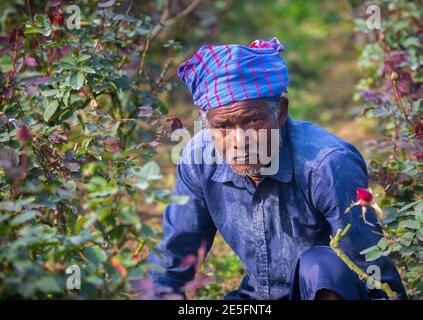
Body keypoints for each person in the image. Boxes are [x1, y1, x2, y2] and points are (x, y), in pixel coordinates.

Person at [149, 37, 406, 300]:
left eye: (252, 120)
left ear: (280, 112)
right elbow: (173, 262)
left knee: (321, 266)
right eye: (223, 126)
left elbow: (374, 272)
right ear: (207, 125)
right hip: (257, 299)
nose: (240, 142)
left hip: (322, 292)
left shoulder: (327, 164)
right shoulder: (198, 159)